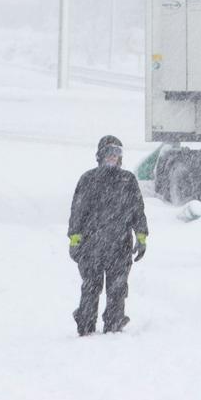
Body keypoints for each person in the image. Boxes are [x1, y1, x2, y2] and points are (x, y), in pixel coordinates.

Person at [67, 135, 148, 336]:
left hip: (120, 247)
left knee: (117, 289)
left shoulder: (127, 180)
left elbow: (137, 210)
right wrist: (75, 240)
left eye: (116, 154)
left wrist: (141, 237)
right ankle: (85, 323)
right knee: (91, 287)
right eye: (109, 153)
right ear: (100, 156)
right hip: (91, 247)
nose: (113, 158)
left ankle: (114, 322)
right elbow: (77, 212)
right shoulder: (88, 179)